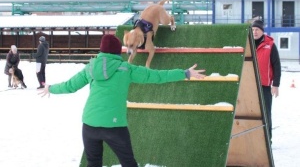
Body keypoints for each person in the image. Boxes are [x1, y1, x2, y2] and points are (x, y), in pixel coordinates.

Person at [39, 34, 206, 167]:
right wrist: (184, 73)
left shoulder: (90, 67)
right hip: (115, 126)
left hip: (89, 125)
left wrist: (51, 88)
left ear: (102, 51)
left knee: (93, 164)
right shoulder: (126, 69)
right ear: (118, 51)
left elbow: (70, 86)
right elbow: (156, 76)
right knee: (129, 163)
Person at [251, 19, 281, 141]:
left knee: (266, 113)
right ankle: (254, 139)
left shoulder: (270, 45)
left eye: (257, 29)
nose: (255, 32)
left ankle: (268, 140)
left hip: (264, 86)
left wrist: (276, 84)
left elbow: (277, 65)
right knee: (252, 113)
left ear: (262, 31)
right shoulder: (248, 43)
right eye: (252, 29)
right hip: (250, 85)